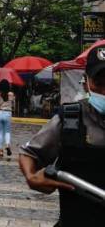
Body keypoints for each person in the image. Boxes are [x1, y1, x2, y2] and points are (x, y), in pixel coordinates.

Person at [19, 47, 105, 226]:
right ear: (86, 83)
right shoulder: (69, 119)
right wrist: (31, 176)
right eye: (100, 82)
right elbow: (29, 153)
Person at [0, 79, 15, 157]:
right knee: (7, 132)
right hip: (8, 113)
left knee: (0, 132)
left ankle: (1, 151)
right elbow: (13, 105)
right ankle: (7, 145)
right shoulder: (11, 94)